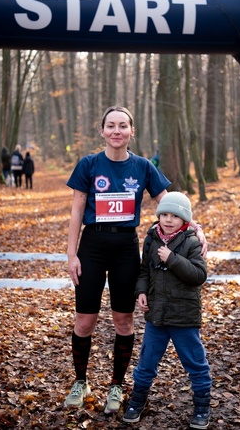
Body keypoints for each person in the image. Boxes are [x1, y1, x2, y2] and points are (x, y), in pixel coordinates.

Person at [64, 105, 208, 415]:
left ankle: (116, 385)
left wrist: (196, 228)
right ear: (102, 131)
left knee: (123, 320)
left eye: (123, 126)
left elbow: (171, 204)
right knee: (84, 321)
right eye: (111, 126)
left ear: (132, 131)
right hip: (92, 245)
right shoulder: (88, 165)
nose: (117, 131)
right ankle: (80, 381)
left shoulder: (143, 166)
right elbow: (76, 211)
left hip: (125, 247)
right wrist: (71, 254)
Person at [123, 192, 212, 429]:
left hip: (184, 316)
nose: (168, 219)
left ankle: (202, 407)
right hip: (157, 315)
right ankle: (137, 401)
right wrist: (141, 292)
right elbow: (145, 271)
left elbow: (199, 276)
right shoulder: (152, 238)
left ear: (184, 220)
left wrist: (172, 259)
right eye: (164, 214)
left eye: (174, 216)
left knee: (195, 361)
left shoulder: (193, 242)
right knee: (146, 361)